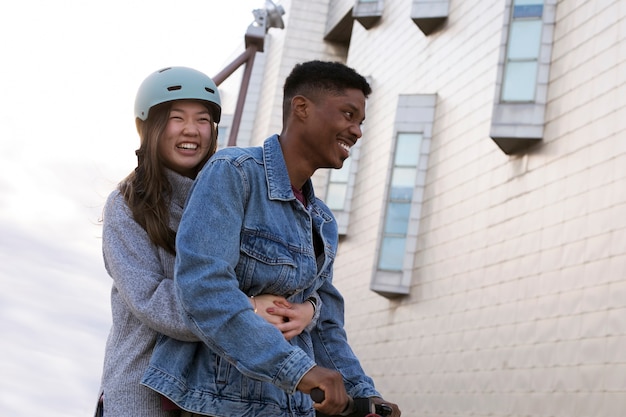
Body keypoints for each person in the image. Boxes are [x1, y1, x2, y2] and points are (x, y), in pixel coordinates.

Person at [141, 60, 401, 417]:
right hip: (219, 405)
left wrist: (365, 394)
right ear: (302, 108)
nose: (356, 131)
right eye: (348, 114)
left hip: (289, 407)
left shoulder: (322, 221)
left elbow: (325, 326)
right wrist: (300, 371)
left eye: (360, 122)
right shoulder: (233, 173)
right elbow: (205, 289)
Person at [95, 66, 319, 417]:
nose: (191, 130)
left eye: (203, 120)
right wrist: (246, 309)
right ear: (149, 127)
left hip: (211, 394)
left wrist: (309, 309)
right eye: (176, 118)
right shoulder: (126, 206)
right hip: (142, 391)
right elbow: (151, 299)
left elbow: (272, 275)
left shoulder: (231, 192)